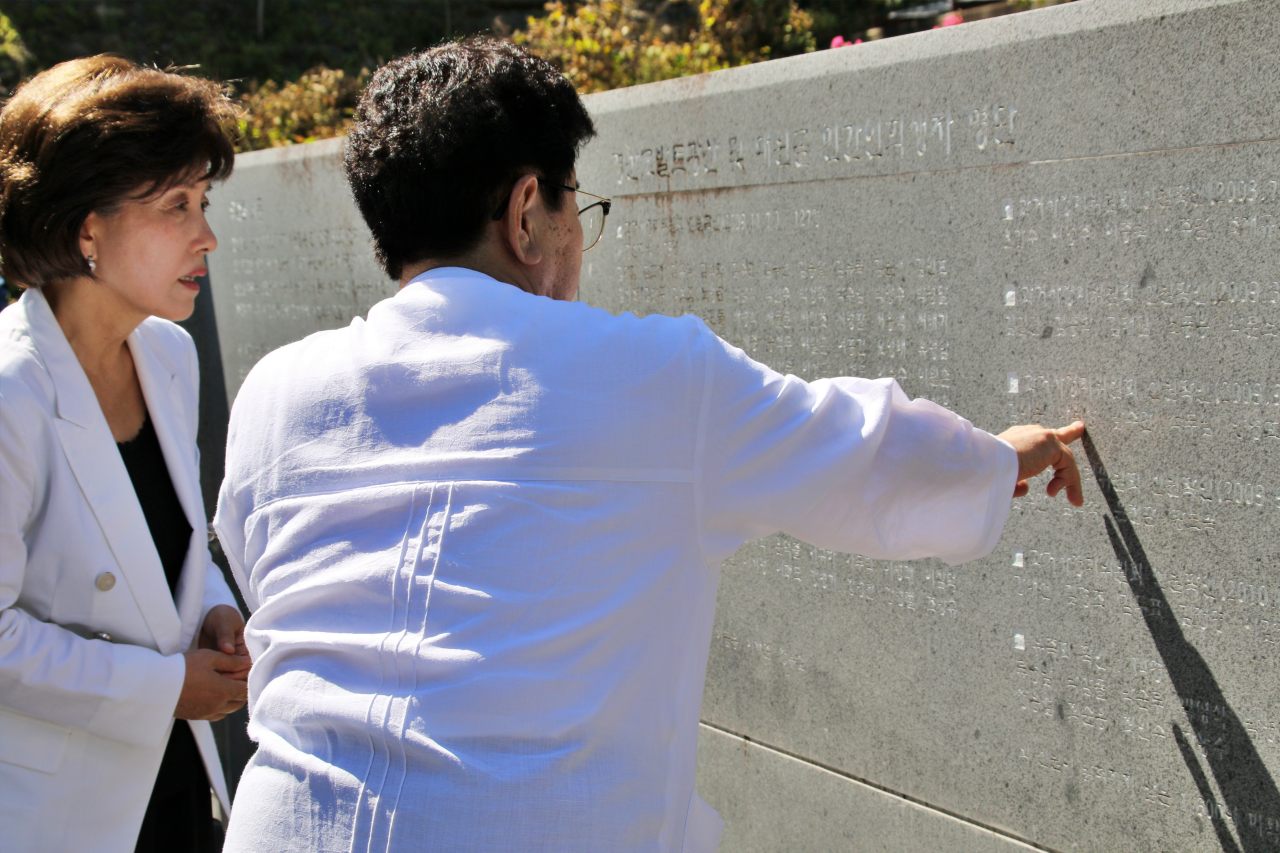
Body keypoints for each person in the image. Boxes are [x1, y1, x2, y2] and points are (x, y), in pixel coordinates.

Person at [214, 37, 1085, 853]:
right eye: (575, 206)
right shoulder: (653, 375)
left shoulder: (275, 393)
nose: (577, 240)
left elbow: (270, 582)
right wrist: (999, 456)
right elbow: (858, 450)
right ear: (527, 213)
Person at [0, 56, 250, 852]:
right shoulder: (11, 392)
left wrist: (213, 607)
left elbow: (168, 542)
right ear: (87, 227)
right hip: (55, 816)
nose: (205, 233)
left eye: (202, 201)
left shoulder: (169, 356)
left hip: (178, 786)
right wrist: (166, 686)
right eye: (176, 205)